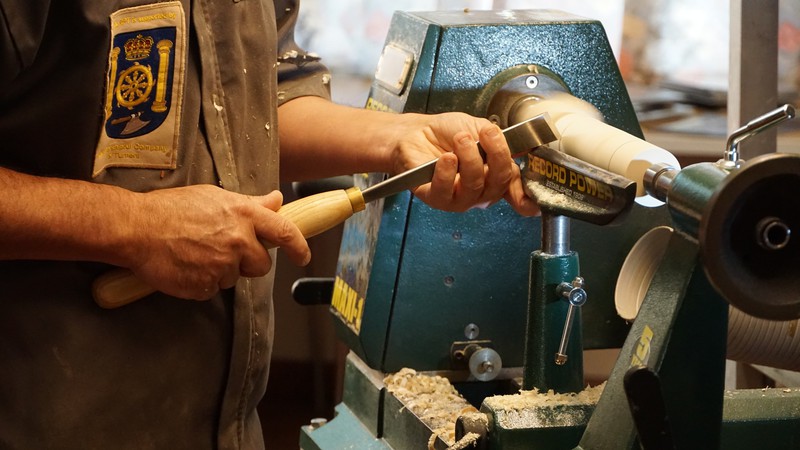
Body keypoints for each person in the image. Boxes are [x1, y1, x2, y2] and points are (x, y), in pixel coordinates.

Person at [0, 1, 539, 448]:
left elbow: (256, 101)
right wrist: (134, 225)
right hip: (49, 410)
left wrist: (397, 139)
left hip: (217, 419)